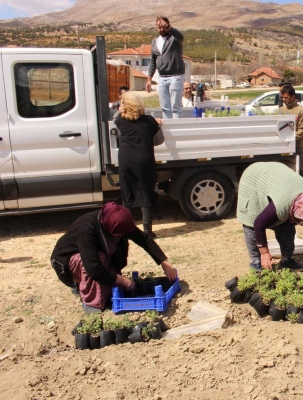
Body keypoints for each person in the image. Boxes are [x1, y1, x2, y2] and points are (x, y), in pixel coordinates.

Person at [50, 202, 177, 313]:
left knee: (109, 280)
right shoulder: (87, 228)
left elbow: (144, 239)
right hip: (67, 263)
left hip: (95, 260)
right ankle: (91, 305)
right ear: (110, 226)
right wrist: (123, 280)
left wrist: (163, 261)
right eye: (118, 233)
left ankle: (89, 287)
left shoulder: (118, 220)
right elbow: (93, 269)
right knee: (98, 262)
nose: (121, 235)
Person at [237, 162, 303, 272]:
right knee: (251, 223)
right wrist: (265, 253)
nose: (300, 223)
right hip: (254, 178)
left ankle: (287, 260)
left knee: (287, 225)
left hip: (278, 180)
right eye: (299, 220)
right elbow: (259, 224)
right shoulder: (282, 205)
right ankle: (256, 262)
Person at [114, 92, 162, 237]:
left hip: (126, 160)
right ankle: (147, 231)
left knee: (127, 194)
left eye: (122, 103)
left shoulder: (119, 121)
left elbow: (116, 120)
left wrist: (120, 110)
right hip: (144, 160)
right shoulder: (149, 121)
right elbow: (159, 140)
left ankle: (125, 230)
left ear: (126, 106)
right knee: (146, 192)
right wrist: (158, 126)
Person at [146, 16, 185, 119]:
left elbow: (181, 37)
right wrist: (149, 79)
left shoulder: (174, 39)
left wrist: (170, 28)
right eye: (159, 27)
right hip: (162, 77)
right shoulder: (155, 41)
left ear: (168, 25)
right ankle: (168, 132)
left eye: (163, 27)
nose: (162, 30)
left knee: (175, 107)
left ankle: (176, 131)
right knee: (165, 107)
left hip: (175, 76)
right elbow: (153, 60)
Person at [279, 84, 303, 180]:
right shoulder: (280, 111)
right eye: (282, 97)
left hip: (297, 146)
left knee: (300, 169)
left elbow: (302, 130)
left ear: (292, 97)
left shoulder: (300, 111)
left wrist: (290, 138)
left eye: (286, 98)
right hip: (283, 146)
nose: (284, 100)